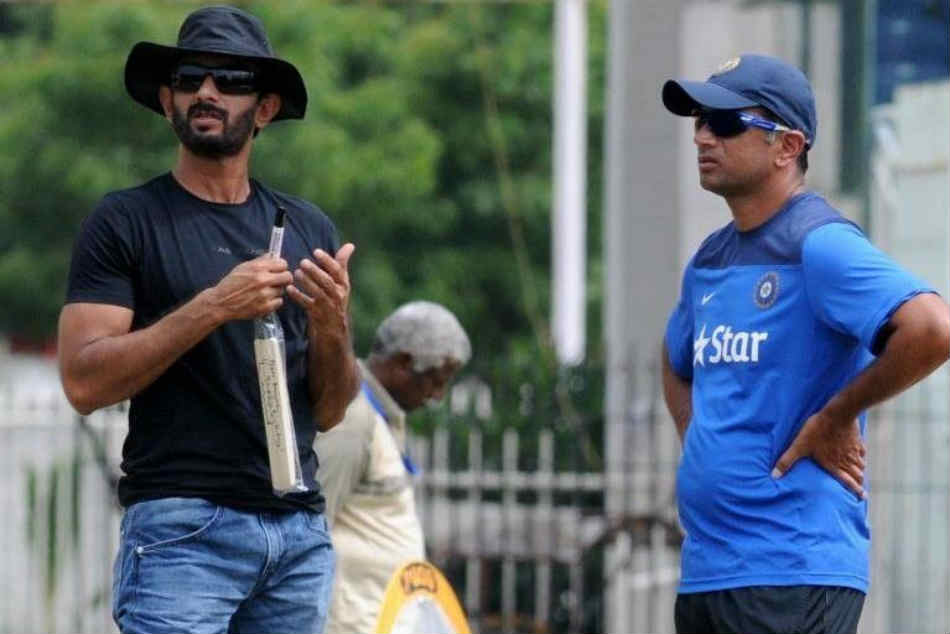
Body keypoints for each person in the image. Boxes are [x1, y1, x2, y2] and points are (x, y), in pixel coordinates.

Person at [56, 6, 359, 633]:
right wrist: (217, 304)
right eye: (190, 78)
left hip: (297, 536)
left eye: (232, 80)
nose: (208, 92)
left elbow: (330, 411)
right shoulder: (125, 222)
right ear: (168, 99)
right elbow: (83, 382)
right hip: (183, 532)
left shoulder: (308, 228)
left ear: (265, 108)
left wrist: (333, 329)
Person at [659, 54, 950, 634]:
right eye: (699, 120)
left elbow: (932, 329)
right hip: (709, 572)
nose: (703, 137)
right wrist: (702, 448)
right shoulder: (711, 260)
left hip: (790, 570)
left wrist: (836, 416)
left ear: (787, 147)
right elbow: (674, 360)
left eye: (726, 122)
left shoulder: (820, 245)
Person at [314, 300, 471, 634]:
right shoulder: (352, 417)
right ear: (403, 363)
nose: (438, 396)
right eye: (435, 380)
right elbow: (312, 529)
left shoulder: (381, 414)